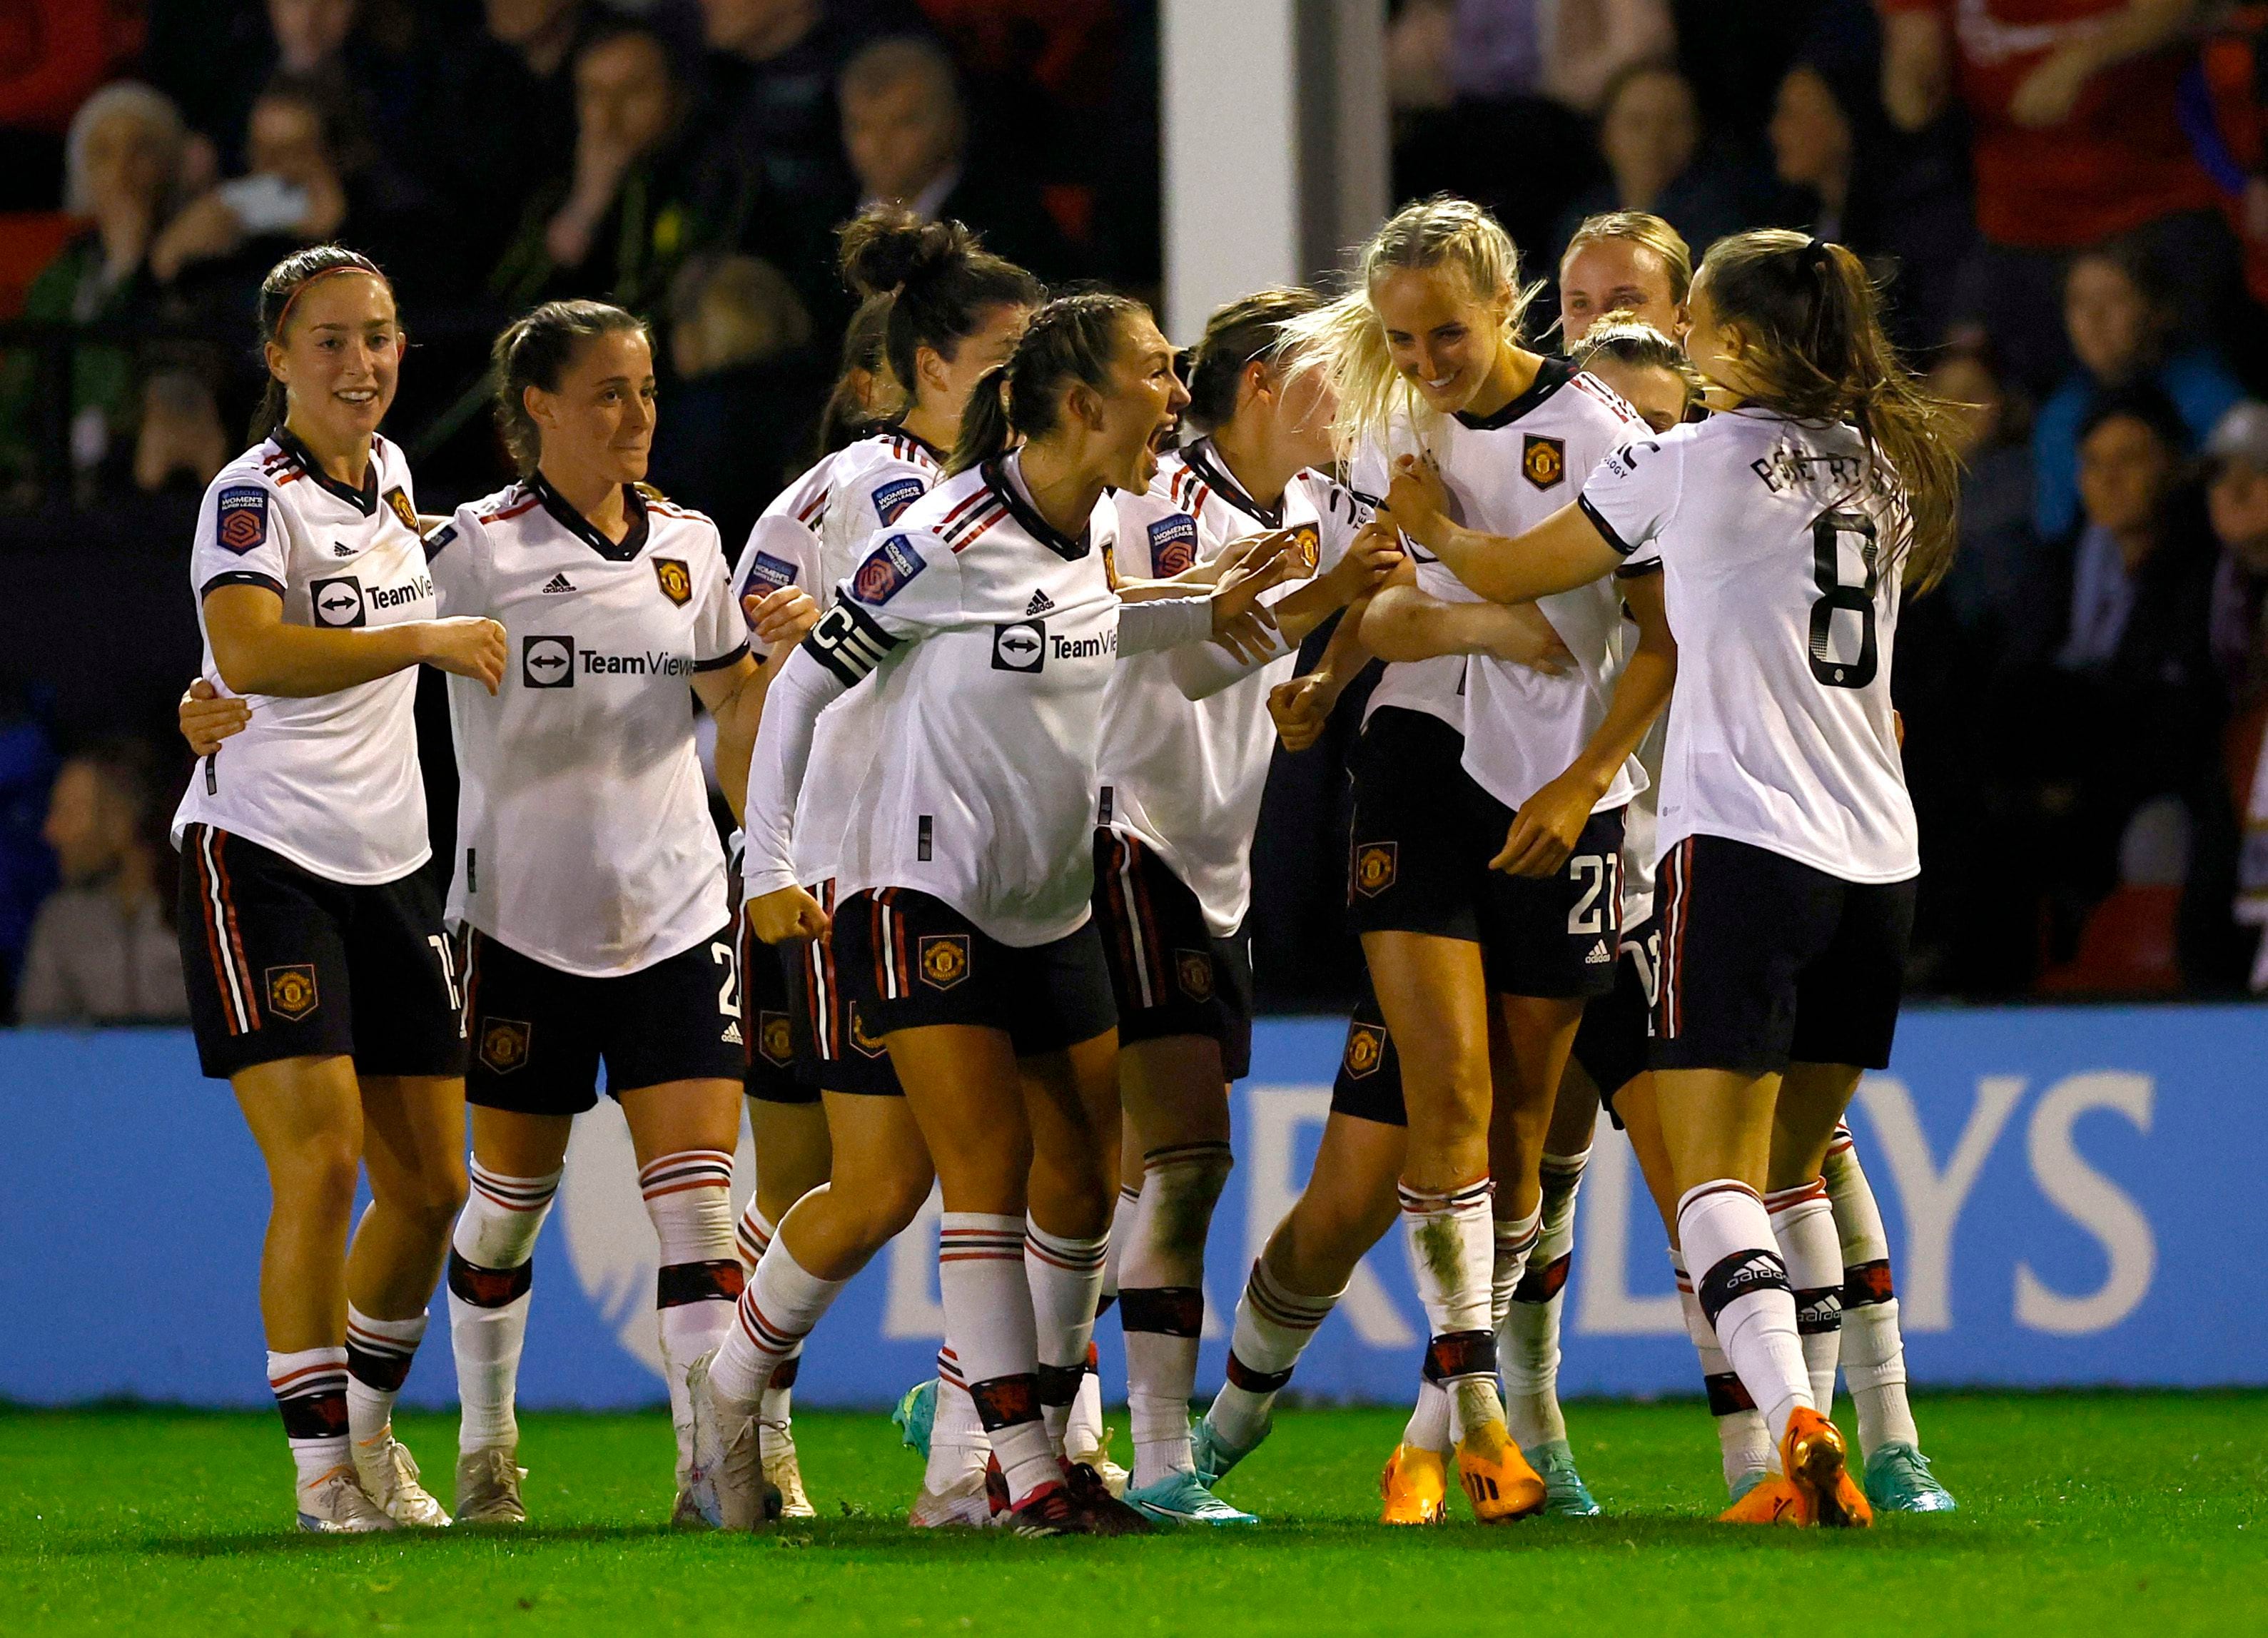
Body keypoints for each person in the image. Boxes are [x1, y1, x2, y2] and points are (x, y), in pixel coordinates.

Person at [183, 295, 811, 1527]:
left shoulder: (692, 541)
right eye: (609, 394)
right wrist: (202, 699)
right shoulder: (467, 546)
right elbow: (299, 630)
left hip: (678, 909)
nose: (637, 417)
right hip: (517, 920)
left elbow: (733, 730)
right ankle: (477, 1444)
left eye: (646, 391)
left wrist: (766, 718)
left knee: (693, 1204)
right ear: (537, 406)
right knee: (493, 1208)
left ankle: (726, 1466)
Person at [1375, 226, 1965, 1527]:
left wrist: (1428, 525)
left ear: (1743, 342)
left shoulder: (1683, 464)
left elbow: (1511, 569)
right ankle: (1821, 1456)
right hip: (1881, 859)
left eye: (1693, 317)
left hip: (1746, 849)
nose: (1677, 337)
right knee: (1791, 1178)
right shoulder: (1885, 470)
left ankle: (1792, 1426)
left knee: (1708, 1184)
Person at [711, 290, 1284, 1536]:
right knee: (983, 1175)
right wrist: (770, 867)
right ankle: (1011, 1472)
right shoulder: (937, 537)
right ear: (1081, 405)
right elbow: (804, 686)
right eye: (1154, 373)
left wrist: (1212, 606)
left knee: (1082, 1181)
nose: (1176, 395)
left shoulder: (1090, 529)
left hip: (1049, 897)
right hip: (920, 890)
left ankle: (764, 1389)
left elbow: (1086, 622)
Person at [1260, 195, 1654, 1526]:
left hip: (1556, 796)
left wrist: (1581, 757)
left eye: (1444, 334)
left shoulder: (1600, 433)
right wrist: (1342, 671)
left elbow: (1626, 637)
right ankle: (1479, 1411)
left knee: (1527, 1133)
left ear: (1506, 301)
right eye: (1399, 338)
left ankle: (1467, 1422)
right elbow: (1377, 607)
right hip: (1416, 771)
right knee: (1453, 1092)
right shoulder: (1391, 432)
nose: (1422, 362)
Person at [696, 211, 1043, 1530]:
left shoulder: (1031, 492)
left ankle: (990, 1447)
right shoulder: (886, 497)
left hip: (1003, 871)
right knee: (899, 1181)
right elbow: (756, 701)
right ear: (924, 371)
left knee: (1017, 1167)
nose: (1023, 382)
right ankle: (752, 1403)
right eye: (1002, 358)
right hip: (869, 881)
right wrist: (770, 864)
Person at [169, 244, 505, 1533]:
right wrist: (418, 638)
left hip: (391, 866)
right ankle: (320, 1477)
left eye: (377, 336)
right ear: (276, 357)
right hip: (261, 853)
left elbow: (236, 665)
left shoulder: (393, 482)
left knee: (429, 1188)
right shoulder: (250, 498)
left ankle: (368, 1438)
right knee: (320, 1166)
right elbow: (249, 645)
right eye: (328, 340)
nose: (359, 363)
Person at [1087, 288, 1399, 1527]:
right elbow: (1174, 651)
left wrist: (1332, 657)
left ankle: (998, 1393)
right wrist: (1326, 605)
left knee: (1114, 1171)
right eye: (1337, 373)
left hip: (1216, 864)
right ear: (1266, 382)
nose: (1357, 398)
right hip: (1124, 841)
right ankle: (1160, 1458)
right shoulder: (1160, 498)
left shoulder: (1311, 507)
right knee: (1187, 1157)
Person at [0, 81, 186, 495]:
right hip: (57, 485)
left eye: (141, 151)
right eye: (103, 154)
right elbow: (18, 400)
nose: (121, 171)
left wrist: (134, 269)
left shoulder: (193, 270)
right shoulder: (60, 279)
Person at [2032, 241, 2246, 544]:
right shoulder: (2060, 416)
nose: (2094, 319)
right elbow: (2057, 532)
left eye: (2114, 298)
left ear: (2158, 309)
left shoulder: (2209, 396)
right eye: (2078, 302)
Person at [837, 34, 1085, 282]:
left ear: (952, 123)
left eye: (904, 123)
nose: (881, 146)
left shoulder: (1011, 229)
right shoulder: (819, 229)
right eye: (862, 126)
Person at [17, 739, 188, 1025]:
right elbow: (38, 1044)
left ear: (121, 819)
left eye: (69, 812)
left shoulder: (212, 910)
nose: (51, 831)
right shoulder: (61, 921)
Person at [1556, 63, 1753, 268]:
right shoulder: (1581, 218)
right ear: (1606, 134)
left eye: (1672, 123)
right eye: (1637, 123)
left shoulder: (1720, 225)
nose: (1652, 140)